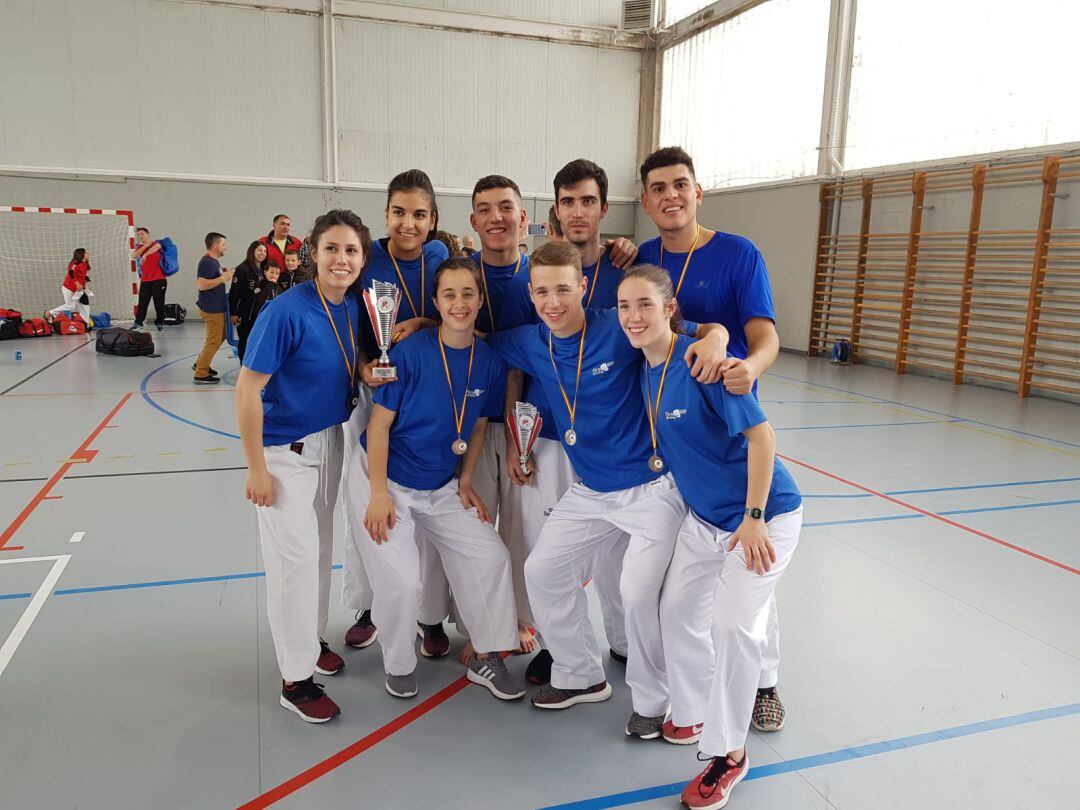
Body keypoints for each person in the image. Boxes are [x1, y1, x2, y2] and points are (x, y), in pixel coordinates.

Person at [484, 241, 728, 721]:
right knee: (542, 571)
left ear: (583, 287)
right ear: (531, 295)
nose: (552, 303)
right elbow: (469, 336)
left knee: (638, 595)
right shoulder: (530, 341)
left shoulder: (618, 327)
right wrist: (428, 325)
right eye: (541, 292)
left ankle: (658, 700)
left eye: (562, 290)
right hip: (591, 490)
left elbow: (697, 329)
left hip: (651, 489)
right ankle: (580, 675)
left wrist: (717, 338)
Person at [616, 265, 802, 808]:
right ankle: (694, 708)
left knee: (733, 625)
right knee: (675, 612)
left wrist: (753, 515)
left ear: (670, 309)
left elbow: (763, 438)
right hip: (704, 520)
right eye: (625, 307)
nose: (633, 317)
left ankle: (729, 753)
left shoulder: (706, 368)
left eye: (645, 306)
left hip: (763, 516)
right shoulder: (648, 367)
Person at [636, 146, 788, 736]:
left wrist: (751, 365)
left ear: (698, 192)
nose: (670, 196)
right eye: (658, 188)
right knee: (688, 574)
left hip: (729, 426)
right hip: (673, 439)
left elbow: (765, 334)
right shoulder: (644, 256)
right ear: (646, 201)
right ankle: (692, 681)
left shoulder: (737, 254)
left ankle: (766, 679)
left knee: (752, 563)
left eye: (681, 185)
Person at [345, 257, 522, 702]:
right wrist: (379, 493)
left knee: (491, 556)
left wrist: (464, 483)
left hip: (441, 486)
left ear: (481, 300)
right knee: (403, 581)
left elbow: (479, 424)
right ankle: (399, 662)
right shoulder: (409, 353)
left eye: (468, 294)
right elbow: (379, 427)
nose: (459, 303)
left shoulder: (490, 362)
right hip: (385, 480)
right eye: (449, 294)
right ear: (436, 303)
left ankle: (487, 655)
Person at [497, 158, 640, 684]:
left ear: (605, 208)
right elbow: (512, 356)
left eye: (587, 201)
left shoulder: (628, 266)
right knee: (552, 549)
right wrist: (517, 436)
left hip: (615, 443)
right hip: (550, 435)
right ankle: (560, 647)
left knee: (617, 558)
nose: (577, 211)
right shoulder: (533, 277)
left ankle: (625, 642)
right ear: (554, 210)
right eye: (566, 201)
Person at [236, 208, 370, 723]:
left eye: (351, 250)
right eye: (332, 248)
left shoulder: (350, 306)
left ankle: (309, 640)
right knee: (293, 563)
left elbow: (344, 359)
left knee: (318, 551)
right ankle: (296, 678)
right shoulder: (284, 310)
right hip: (284, 453)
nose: (341, 259)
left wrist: (366, 372)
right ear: (312, 252)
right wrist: (255, 468)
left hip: (329, 440)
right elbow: (248, 389)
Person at [342, 168, 450, 655]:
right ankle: (367, 605)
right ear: (385, 215)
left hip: (425, 391)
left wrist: (425, 319)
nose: (409, 223)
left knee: (425, 503)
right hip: (375, 387)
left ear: (433, 219)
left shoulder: (441, 256)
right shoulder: (366, 260)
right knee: (371, 503)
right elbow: (347, 324)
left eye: (419, 214)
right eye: (399, 213)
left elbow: (449, 314)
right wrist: (364, 367)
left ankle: (430, 615)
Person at [194, 233, 233, 385]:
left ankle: (200, 364)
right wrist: (223, 278)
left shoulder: (213, 262)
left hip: (215, 307)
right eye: (224, 244)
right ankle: (201, 373)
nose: (226, 247)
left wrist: (221, 272)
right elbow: (201, 284)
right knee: (213, 341)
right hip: (212, 309)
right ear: (216, 246)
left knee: (220, 336)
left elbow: (210, 277)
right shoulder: (207, 262)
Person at [229, 241, 269, 361]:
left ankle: (253, 367)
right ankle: (244, 367)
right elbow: (234, 293)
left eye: (265, 251)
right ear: (252, 251)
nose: (262, 253)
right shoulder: (242, 269)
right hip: (244, 313)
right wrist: (233, 313)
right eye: (259, 250)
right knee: (245, 341)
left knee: (257, 341)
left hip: (258, 313)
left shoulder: (263, 269)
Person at [132, 228, 167, 331]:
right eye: (139, 235)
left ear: (148, 234)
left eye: (142, 234)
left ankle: (160, 322)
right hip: (145, 280)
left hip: (159, 279)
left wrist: (146, 253)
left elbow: (156, 247)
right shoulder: (139, 247)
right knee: (142, 303)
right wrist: (145, 247)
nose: (140, 236)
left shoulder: (157, 244)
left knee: (159, 303)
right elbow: (133, 256)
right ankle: (138, 323)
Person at [46, 248, 92, 324]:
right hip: (68, 288)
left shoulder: (84, 264)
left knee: (84, 304)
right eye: (86, 252)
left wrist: (84, 281)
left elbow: (80, 275)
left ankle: (85, 323)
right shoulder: (76, 263)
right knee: (70, 306)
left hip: (79, 289)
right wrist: (77, 283)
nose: (88, 253)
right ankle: (50, 313)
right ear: (82, 254)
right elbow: (71, 272)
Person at [259, 214, 302, 283]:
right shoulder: (263, 242)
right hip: (270, 283)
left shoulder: (296, 242)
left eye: (288, 225)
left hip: (292, 282)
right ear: (274, 225)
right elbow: (257, 264)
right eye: (282, 224)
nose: (285, 227)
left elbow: (301, 263)